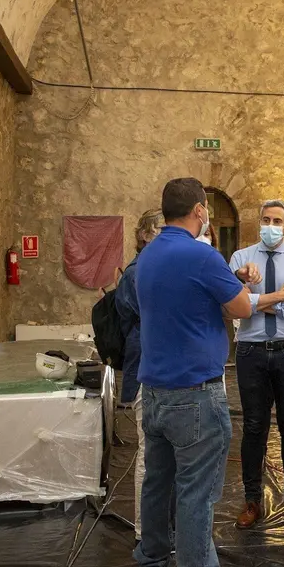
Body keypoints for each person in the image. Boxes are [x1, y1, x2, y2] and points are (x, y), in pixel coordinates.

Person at [134, 177, 254, 567]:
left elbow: (180, 300)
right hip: (195, 395)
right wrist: (239, 285)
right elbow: (241, 307)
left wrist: (225, 280)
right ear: (200, 210)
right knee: (196, 495)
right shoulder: (202, 256)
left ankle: (153, 564)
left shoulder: (148, 255)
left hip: (154, 392)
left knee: (158, 485)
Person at [229, 199, 284, 530]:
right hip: (251, 352)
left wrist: (258, 303)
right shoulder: (240, 259)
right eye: (266, 219)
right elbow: (233, 303)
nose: (270, 226)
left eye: (277, 221)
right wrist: (279, 296)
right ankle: (252, 500)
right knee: (254, 428)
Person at [114, 208, 163, 543]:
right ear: (145, 235)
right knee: (149, 454)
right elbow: (153, 317)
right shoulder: (137, 273)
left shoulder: (152, 268)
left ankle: (160, 530)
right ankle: (146, 532)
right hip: (147, 371)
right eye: (160, 229)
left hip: (158, 368)